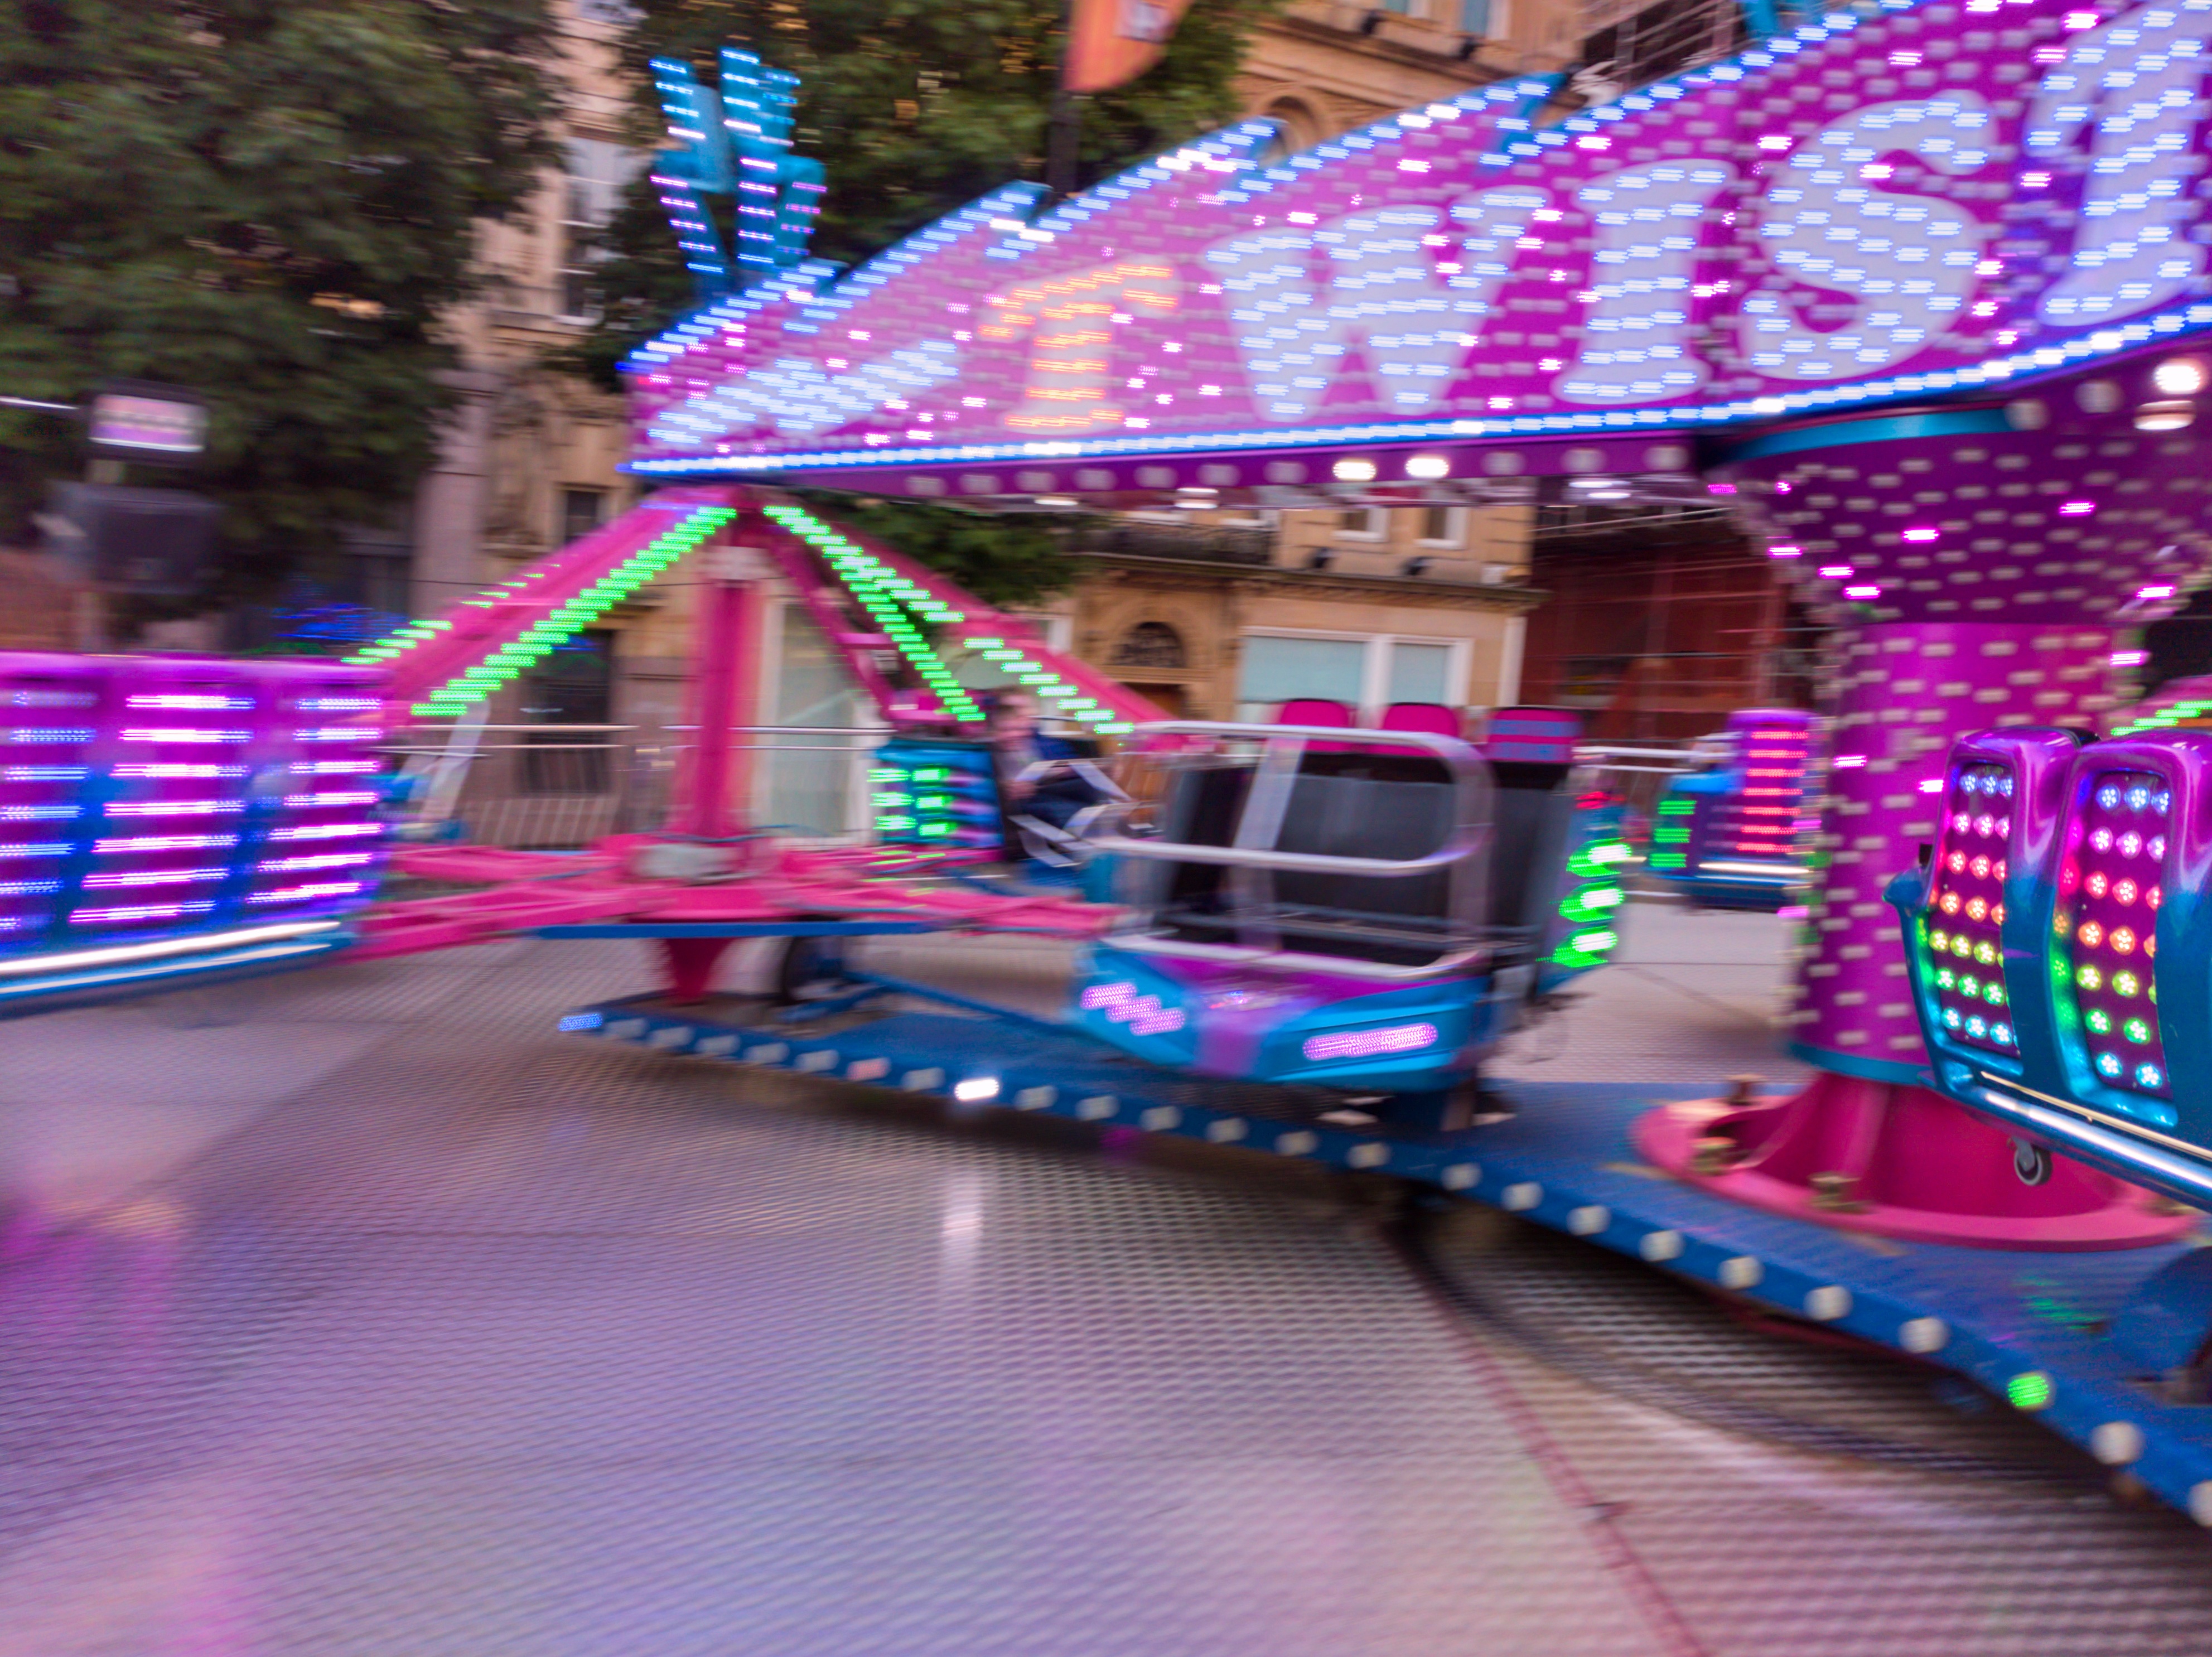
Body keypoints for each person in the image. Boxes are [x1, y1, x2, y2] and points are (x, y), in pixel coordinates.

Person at [987, 690, 1100, 832]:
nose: (1014, 734)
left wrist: (1060, 771)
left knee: (1088, 783)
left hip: (1039, 788)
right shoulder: (989, 752)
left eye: (1018, 729)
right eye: (1006, 730)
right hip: (1018, 801)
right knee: (1064, 809)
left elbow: (1037, 768)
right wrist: (1004, 787)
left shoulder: (1028, 743)